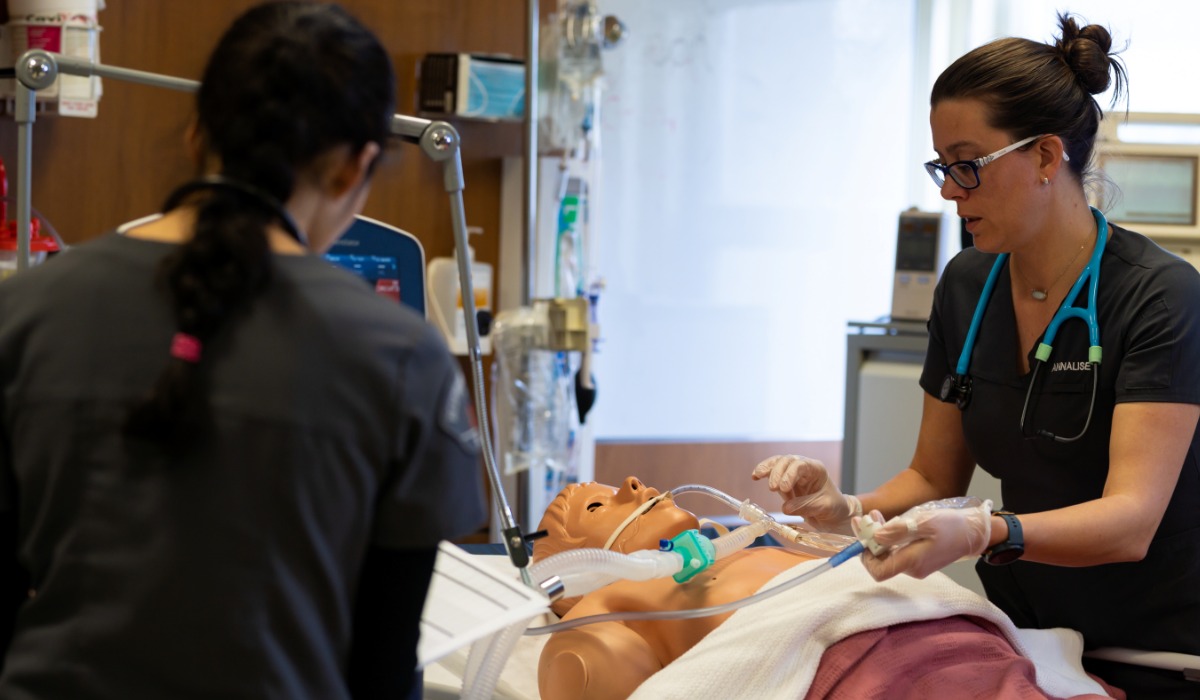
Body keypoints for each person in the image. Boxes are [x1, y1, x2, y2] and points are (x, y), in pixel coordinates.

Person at [0, 3, 486, 699]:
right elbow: (382, 663)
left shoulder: (25, 315)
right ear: (355, 169)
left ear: (198, 133)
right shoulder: (397, 355)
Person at [752, 13, 1200, 700]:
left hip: (1155, 654)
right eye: (941, 165)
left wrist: (982, 531)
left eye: (968, 165)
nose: (947, 191)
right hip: (1028, 639)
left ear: (1046, 157)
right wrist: (843, 507)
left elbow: (1130, 522)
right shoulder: (968, 284)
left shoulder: (1158, 297)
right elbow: (931, 475)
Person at [532, 477, 1121, 700]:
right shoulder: (602, 606)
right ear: (583, 567)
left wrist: (846, 513)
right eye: (598, 503)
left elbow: (844, 561)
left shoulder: (745, 543)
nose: (633, 485)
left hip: (948, 632)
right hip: (859, 667)